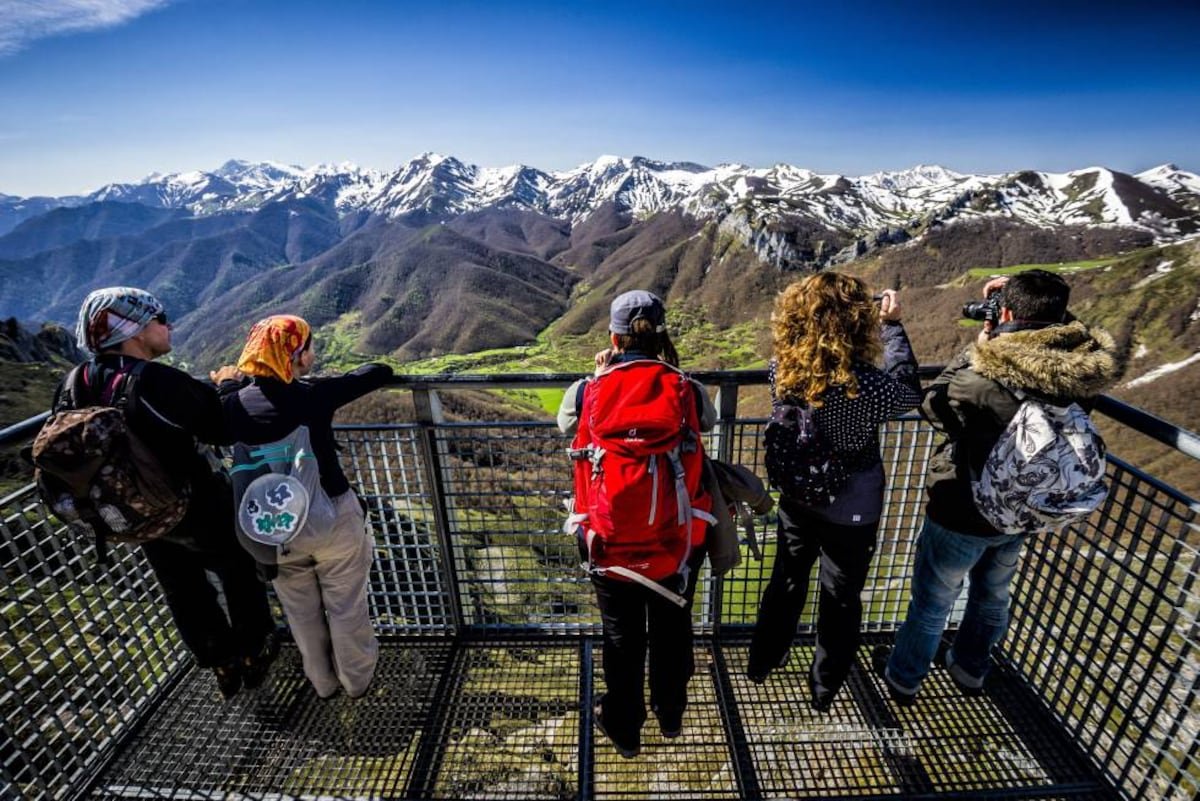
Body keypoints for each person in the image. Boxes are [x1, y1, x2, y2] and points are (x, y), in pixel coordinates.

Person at [879, 269, 1121, 704]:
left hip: (963, 506)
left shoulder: (982, 378)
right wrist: (1037, 309)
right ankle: (971, 669)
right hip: (1023, 508)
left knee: (932, 601)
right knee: (993, 596)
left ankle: (904, 677)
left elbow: (934, 406)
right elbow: (1070, 340)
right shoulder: (1078, 374)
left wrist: (982, 343)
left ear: (1005, 312)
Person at [66, 287, 277, 699]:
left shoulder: (78, 380)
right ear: (133, 328)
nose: (169, 326)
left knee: (181, 587)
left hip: (133, 513)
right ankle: (254, 650)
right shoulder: (156, 380)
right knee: (237, 568)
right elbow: (221, 426)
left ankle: (220, 661)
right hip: (192, 502)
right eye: (159, 319)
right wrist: (231, 385)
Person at [746, 272, 921, 711]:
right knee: (841, 597)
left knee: (787, 579)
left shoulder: (782, 369)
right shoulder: (865, 385)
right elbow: (909, 394)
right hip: (852, 504)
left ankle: (764, 659)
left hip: (799, 493)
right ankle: (825, 686)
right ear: (856, 321)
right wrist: (893, 327)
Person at [557, 290, 716, 758]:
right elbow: (705, 421)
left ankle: (626, 727)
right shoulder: (685, 387)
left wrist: (602, 373)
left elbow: (567, 425)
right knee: (673, 627)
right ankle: (670, 712)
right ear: (663, 334)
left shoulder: (589, 389)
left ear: (614, 335)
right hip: (677, 539)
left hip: (608, 541)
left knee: (622, 638)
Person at [219, 315, 392, 699]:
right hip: (331, 518)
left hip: (272, 530)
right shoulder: (312, 395)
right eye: (309, 348)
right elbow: (378, 371)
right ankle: (356, 682)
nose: (313, 355)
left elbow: (224, 406)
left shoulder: (231, 406)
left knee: (300, 612)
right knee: (346, 605)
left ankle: (323, 684)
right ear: (295, 356)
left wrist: (229, 383)